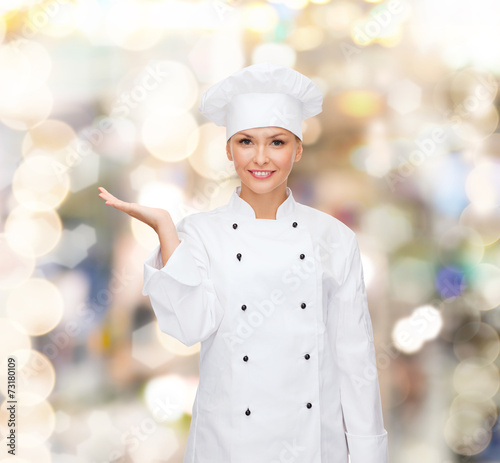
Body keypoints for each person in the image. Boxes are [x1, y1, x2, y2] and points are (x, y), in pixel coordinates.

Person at [98, 62, 389, 463]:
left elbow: (355, 360)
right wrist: (166, 231)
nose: (261, 158)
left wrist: (369, 453)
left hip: (312, 447)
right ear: (229, 149)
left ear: (298, 148)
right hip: (229, 445)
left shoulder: (334, 238)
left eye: (277, 142)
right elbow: (188, 326)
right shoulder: (199, 233)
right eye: (247, 142)